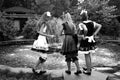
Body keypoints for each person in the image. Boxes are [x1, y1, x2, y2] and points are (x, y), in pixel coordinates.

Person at [78, 10, 102, 75]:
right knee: (89, 54)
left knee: (86, 55)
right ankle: (89, 67)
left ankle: (88, 71)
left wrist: (83, 36)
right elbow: (100, 26)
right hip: (91, 40)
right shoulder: (92, 22)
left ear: (81, 17)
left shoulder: (81, 24)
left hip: (85, 40)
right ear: (87, 16)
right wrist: (95, 34)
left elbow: (84, 30)